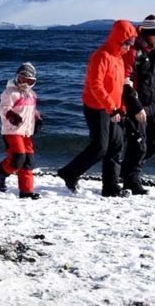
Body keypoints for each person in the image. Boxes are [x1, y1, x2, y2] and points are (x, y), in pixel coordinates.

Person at [57, 20, 138, 197]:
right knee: (100, 147)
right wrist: (111, 108)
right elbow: (96, 85)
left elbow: (118, 87)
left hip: (114, 109)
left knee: (116, 146)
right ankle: (69, 172)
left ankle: (110, 188)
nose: (129, 47)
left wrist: (121, 108)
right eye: (127, 43)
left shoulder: (119, 59)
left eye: (131, 44)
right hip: (96, 107)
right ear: (118, 40)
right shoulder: (101, 56)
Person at [121, 15, 155, 195]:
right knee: (138, 145)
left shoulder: (154, 50)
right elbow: (126, 81)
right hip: (138, 106)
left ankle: (127, 169)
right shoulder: (134, 52)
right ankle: (131, 180)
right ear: (148, 33)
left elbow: (153, 78)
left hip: (153, 105)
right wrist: (136, 106)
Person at [0, 62, 43, 200]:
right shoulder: (10, 92)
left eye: (28, 81)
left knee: (28, 161)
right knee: (17, 158)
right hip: (12, 131)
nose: (24, 83)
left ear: (33, 82)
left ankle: (26, 191)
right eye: (22, 79)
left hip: (26, 132)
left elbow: (32, 110)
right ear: (17, 77)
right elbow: (3, 108)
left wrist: (37, 118)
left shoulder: (32, 94)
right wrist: (11, 115)